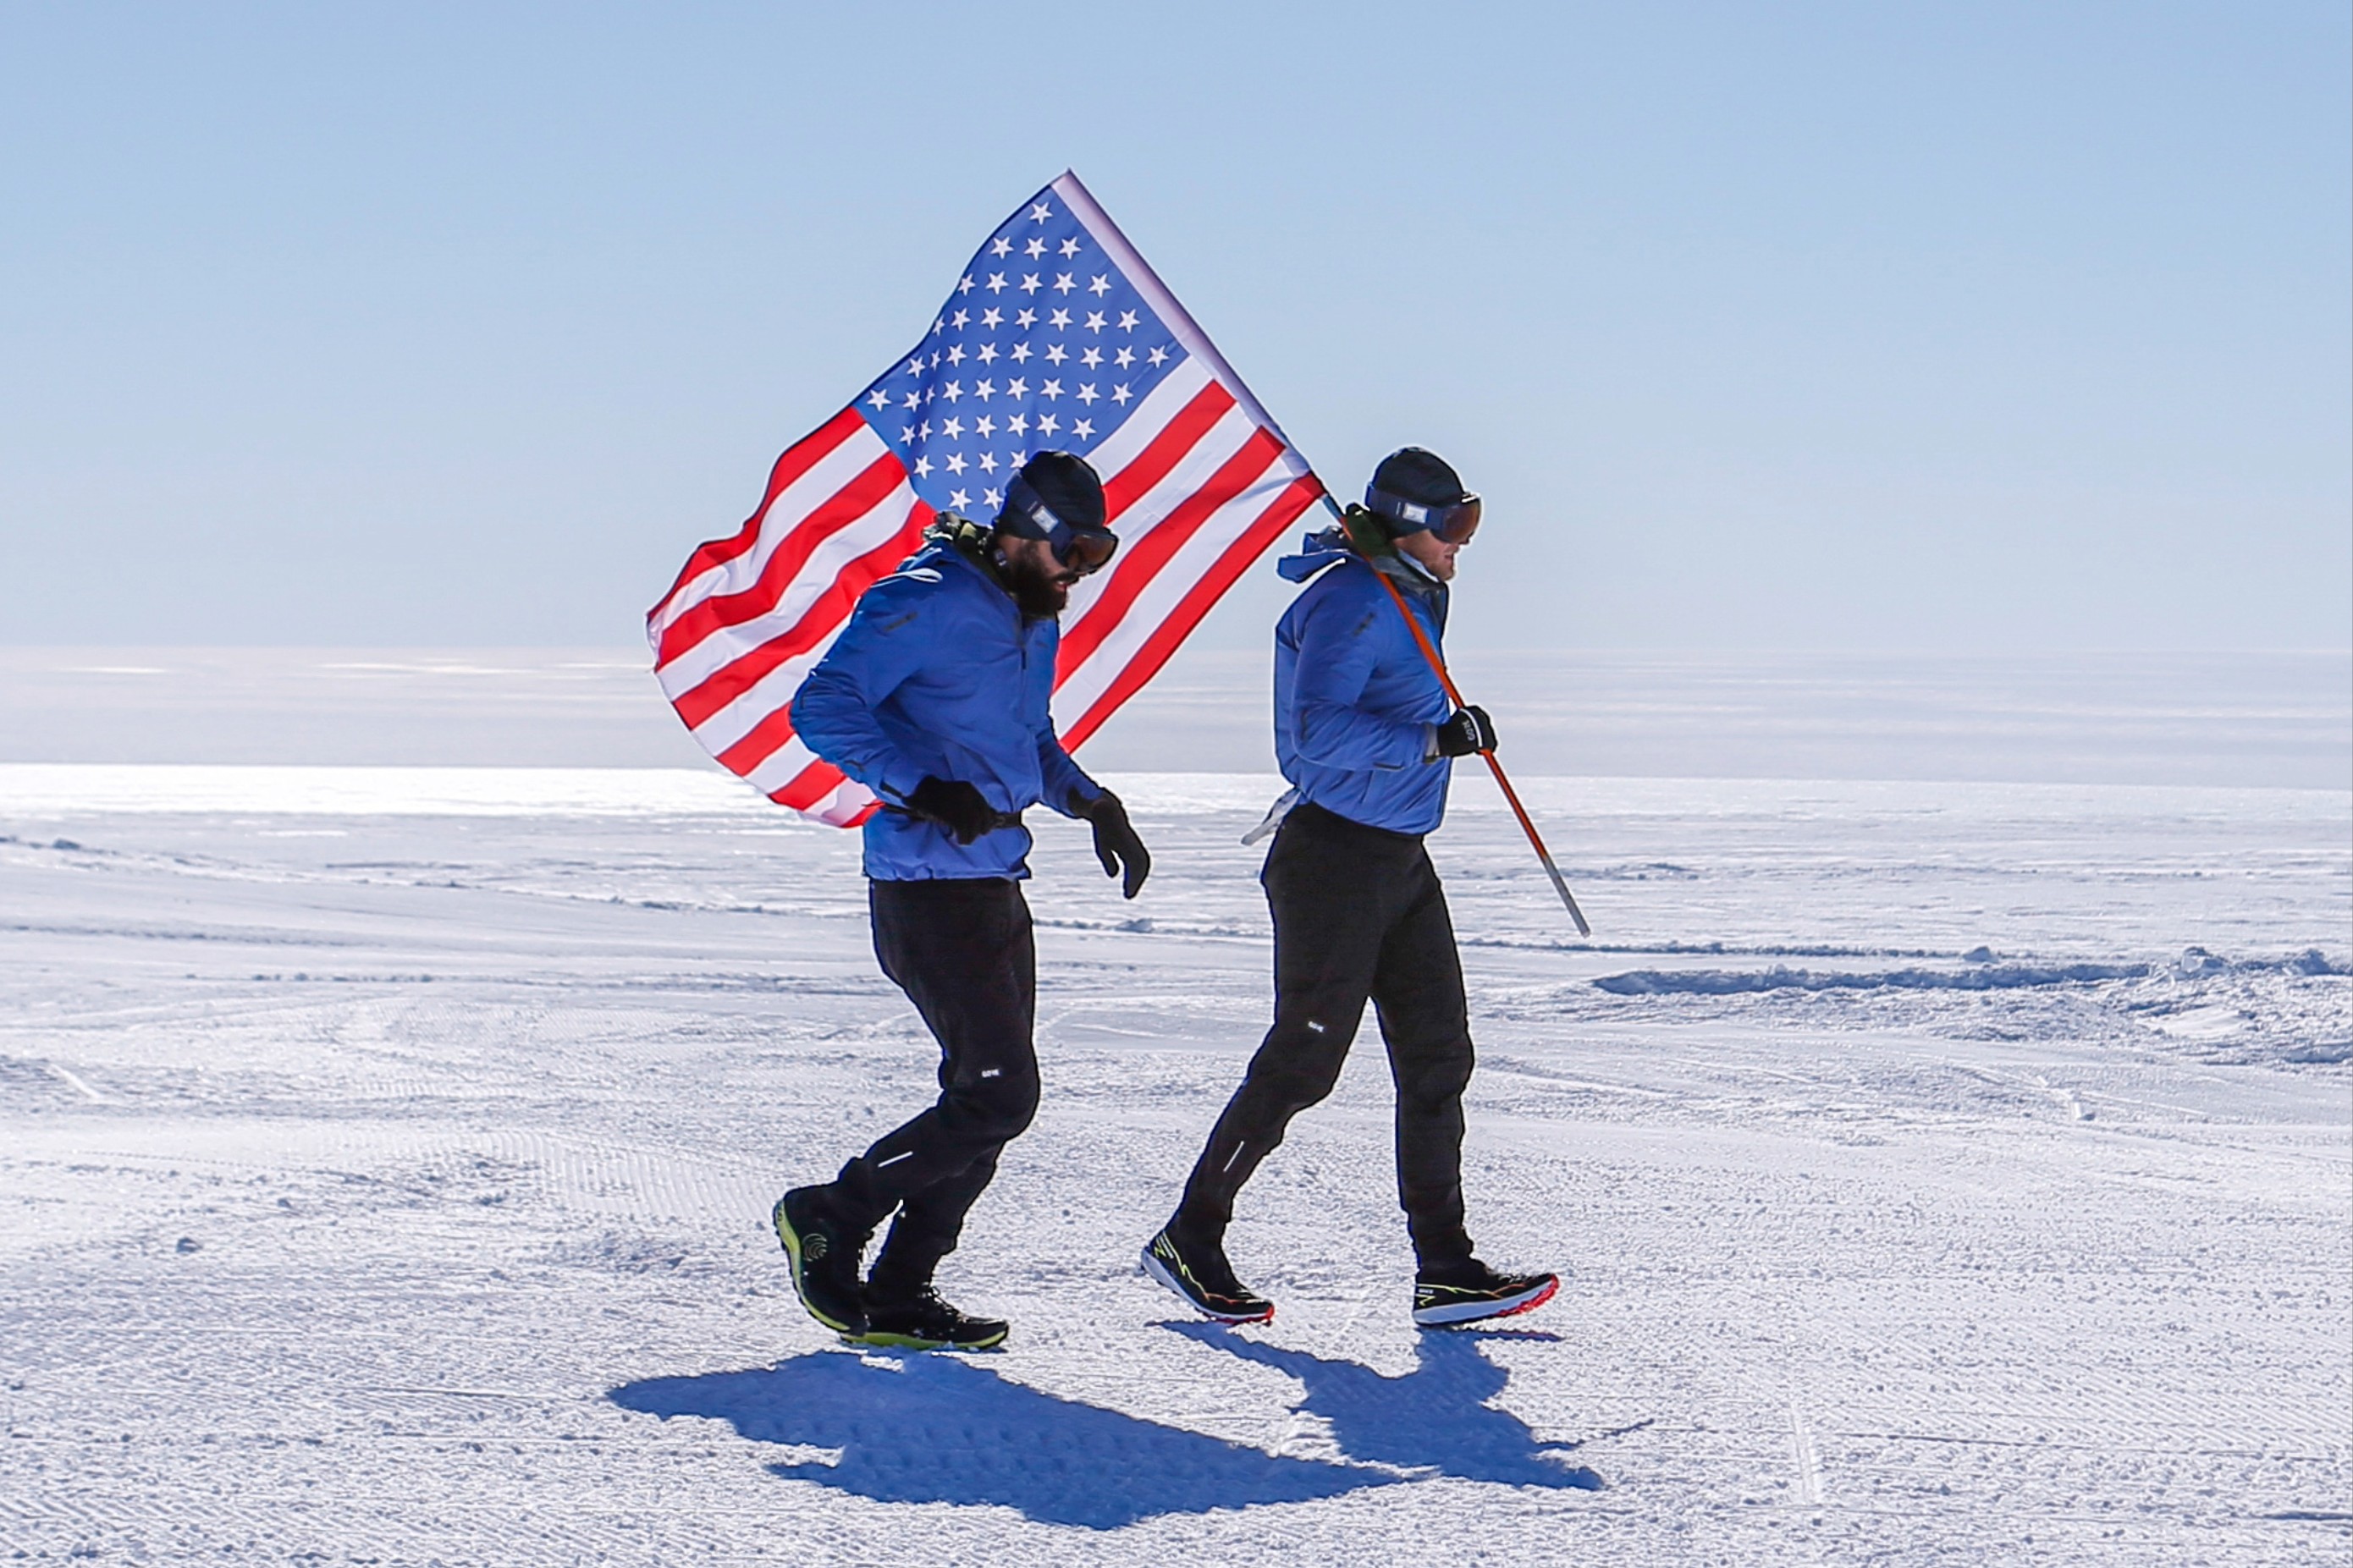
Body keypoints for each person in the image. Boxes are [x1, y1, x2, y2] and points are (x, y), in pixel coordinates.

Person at [1142, 446, 1558, 1329]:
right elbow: (1314, 732)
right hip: (1332, 857)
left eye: (1468, 522)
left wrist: (1442, 727)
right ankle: (1191, 1233)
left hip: (1399, 856)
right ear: (1406, 523)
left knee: (1438, 1055)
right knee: (1305, 1059)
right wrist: (1430, 743)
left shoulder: (1409, 595)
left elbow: (1383, 710)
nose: (1461, 544)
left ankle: (1443, 1266)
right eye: (1452, 526)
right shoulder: (1350, 600)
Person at [774, 451, 1152, 1351]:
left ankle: (902, 1290)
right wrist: (921, 786)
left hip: (991, 882)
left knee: (985, 1095)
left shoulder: (1028, 616)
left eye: (1096, 556)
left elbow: (1028, 741)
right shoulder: (932, 597)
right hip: (922, 886)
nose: (1079, 576)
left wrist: (1092, 801)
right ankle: (829, 1213)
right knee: (998, 1095)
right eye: (1075, 554)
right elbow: (820, 706)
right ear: (1023, 532)